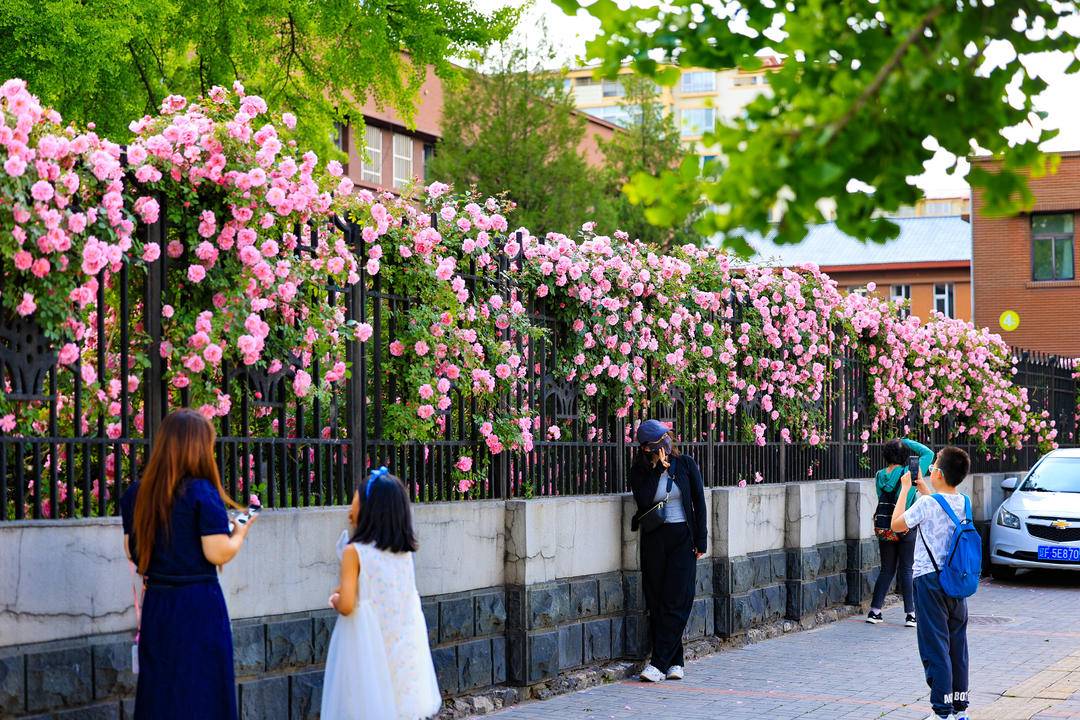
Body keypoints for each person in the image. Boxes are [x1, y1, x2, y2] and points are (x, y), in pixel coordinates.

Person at [120, 409, 254, 720]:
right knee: (202, 690)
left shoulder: (137, 493)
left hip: (158, 603)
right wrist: (241, 532)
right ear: (198, 447)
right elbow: (218, 552)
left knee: (161, 689)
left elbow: (132, 552)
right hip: (197, 605)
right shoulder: (201, 492)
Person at [321, 467, 441, 720]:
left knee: (365, 705)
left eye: (355, 502)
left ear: (369, 511)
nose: (349, 510)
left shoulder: (354, 552)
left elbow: (347, 605)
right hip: (402, 644)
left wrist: (336, 598)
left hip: (366, 645)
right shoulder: (403, 554)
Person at [891, 446, 973, 720]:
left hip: (929, 582)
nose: (929, 468)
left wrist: (905, 490)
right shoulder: (964, 502)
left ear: (938, 472)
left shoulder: (927, 504)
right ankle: (960, 708)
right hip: (957, 581)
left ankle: (942, 711)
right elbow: (942, 507)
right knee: (956, 644)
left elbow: (897, 525)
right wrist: (925, 489)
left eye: (933, 464)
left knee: (934, 646)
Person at [628, 419, 708, 683]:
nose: (664, 446)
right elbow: (643, 500)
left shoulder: (685, 464)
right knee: (658, 601)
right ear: (646, 449)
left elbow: (699, 501)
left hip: (683, 537)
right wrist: (655, 470)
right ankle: (676, 661)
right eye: (655, 445)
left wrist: (701, 539)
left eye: (665, 440)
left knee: (678, 599)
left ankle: (658, 663)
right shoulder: (639, 471)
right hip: (655, 538)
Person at [867, 437, 934, 627]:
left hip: (885, 526)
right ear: (904, 455)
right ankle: (911, 615)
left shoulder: (879, 475)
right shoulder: (908, 473)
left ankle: (875, 611)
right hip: (905, 525)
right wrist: (905, 440)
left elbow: (882, 496)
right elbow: (928, 453)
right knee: (906, 569)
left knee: (887, 569)